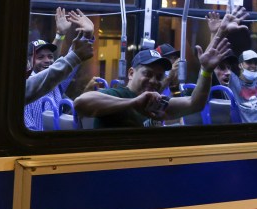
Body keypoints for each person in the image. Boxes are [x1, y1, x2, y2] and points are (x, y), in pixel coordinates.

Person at [74, 35, 231, 128]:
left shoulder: (157, 104)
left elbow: (195, 103)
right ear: (131, 73)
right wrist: (134, 103)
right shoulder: (119, 94)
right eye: (147, 74)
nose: (153, 81)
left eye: (158, 76)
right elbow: (81, 103)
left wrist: (206, 71)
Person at [23, 8, 96, 109]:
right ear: (28, 62)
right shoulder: (27, 86)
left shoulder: (56, 84)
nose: (47, 60)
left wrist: (87, 35)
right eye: (40, 57)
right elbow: (53, 72)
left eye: (50, 56)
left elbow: (66, 65)